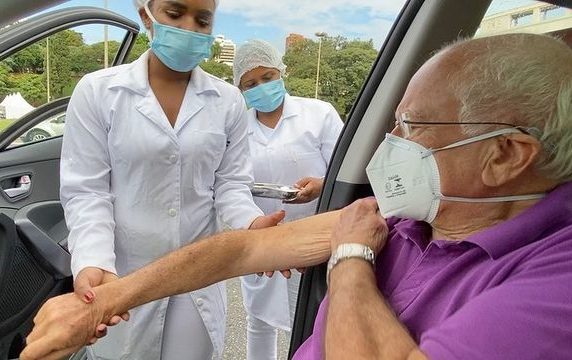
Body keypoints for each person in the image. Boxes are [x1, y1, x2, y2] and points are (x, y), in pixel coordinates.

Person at [22, 33, 572, 360]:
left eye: (410, 126)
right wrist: (103, 302)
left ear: (504, 155)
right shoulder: (411, 213)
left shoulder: (553, 282)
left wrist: (350, 259)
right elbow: (238, 250)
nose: (390, 144)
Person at [59, 0, 280, 359]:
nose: (189, 28)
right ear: (147, 15)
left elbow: (230, 186)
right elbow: (87, 190)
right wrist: (93, 260)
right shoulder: (98, 91)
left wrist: (253, 223)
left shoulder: (227, 102)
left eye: (202, 19)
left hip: (196, 278)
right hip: (124, 273)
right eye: (175, 14)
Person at [233, 39, 343, 359]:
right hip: (262, 236)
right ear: (240, 88)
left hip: (314, 238)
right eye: (250, 83)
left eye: (267, 77)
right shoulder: (237, 129)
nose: (261, 87)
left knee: (313, 320)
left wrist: (320, 185)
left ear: (281, 72)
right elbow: (232, 183)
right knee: (259, 320)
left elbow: (342, 170)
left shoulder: (318, 114)